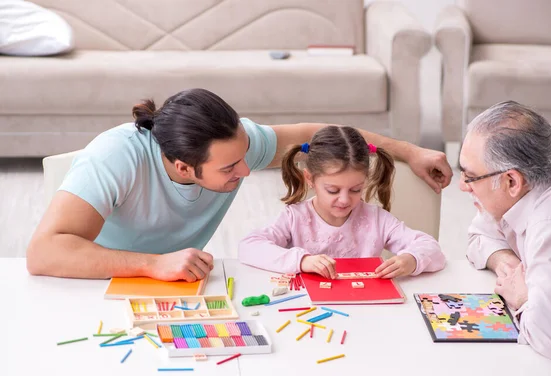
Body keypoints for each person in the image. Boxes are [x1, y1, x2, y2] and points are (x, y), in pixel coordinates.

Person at [26, 88, 452, 282]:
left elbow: (320, 134)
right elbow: (44, 252)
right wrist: (152, 264)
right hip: (97, 287)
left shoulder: (237, 146)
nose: (247, 171)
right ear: (183, 167)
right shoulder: (114, 157)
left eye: (246, 155)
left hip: (184, 287)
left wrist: (410, 151)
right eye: (231, 166)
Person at [460, 100, 551, 374]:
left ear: (512, 181)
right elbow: (478, 237)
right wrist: (510, 266)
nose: (462, 186)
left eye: (470, 177)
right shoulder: (535, 186)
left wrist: (523, 296)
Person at [238, 125, 446, 278]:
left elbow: (432, 248)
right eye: (333, 190)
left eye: (356, 189)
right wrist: (302, 261)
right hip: (307, 311)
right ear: (310, 179)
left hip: (366, 311)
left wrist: (411, 259)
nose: (345, 200)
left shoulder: (376, 219)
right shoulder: (296, 217)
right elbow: (248, 247)